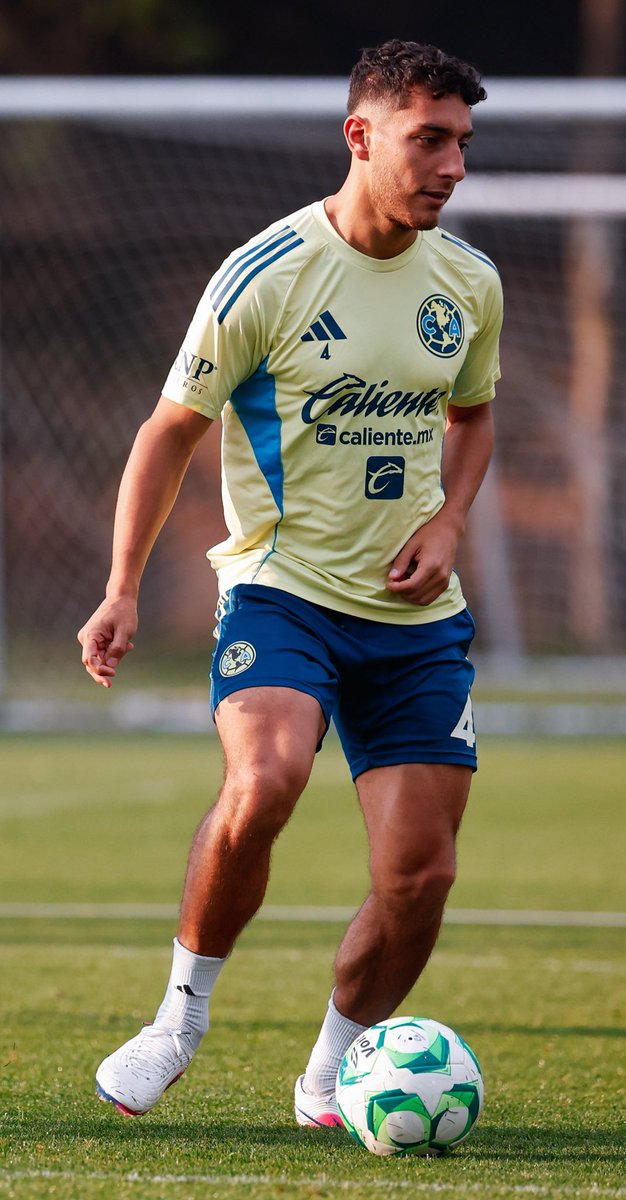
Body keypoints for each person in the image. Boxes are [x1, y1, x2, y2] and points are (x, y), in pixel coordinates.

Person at [77, 38, 502, 1126]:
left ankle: (331, 1077)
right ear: (361, 137)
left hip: (415, 623)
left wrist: (451, 522)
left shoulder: (468, 283)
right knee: (264, 781)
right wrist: (123, 586)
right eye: (430, 140)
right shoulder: (267, 273)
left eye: (462, 142)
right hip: (283, 592)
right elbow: (170, 430)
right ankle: (179, 1016)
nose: (453, 165)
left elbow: (473, 412)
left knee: (421, 882)